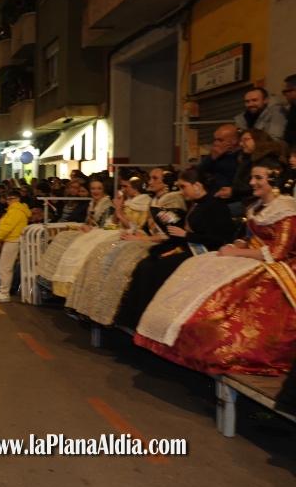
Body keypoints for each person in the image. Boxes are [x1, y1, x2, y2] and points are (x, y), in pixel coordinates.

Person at [135, 157, 296, 375]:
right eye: (252, 177)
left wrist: (237, 252)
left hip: (277, 266)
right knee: (200, 264)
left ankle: (210, 340)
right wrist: (237, 245)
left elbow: (277, 253)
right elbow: (251, 238)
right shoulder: (259, 207)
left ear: (275, 180)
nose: (252, 182)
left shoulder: (286, 209)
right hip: (251, 255)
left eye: (259, 178)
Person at [114, 169, 234, 329]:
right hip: (188, 246)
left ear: (197, 186)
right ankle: (133, 319)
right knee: (146, 264)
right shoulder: (196, 204)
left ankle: (148, 322)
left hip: (204, 252)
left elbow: (219, 239)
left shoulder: (217, 206)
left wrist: (187, 235)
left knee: (156, 269)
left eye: (184, 187)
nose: (181, 191)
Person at [0, 190, 29, 303]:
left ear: (16, 199)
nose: (7, 201)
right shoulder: (17, 210)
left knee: (5, 267)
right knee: (5, 267)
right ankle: (4, 291)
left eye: (9, 199)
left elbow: (7, 227)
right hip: (13, 239)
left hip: (12, 240)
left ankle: (4, 293)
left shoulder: (15, 211)